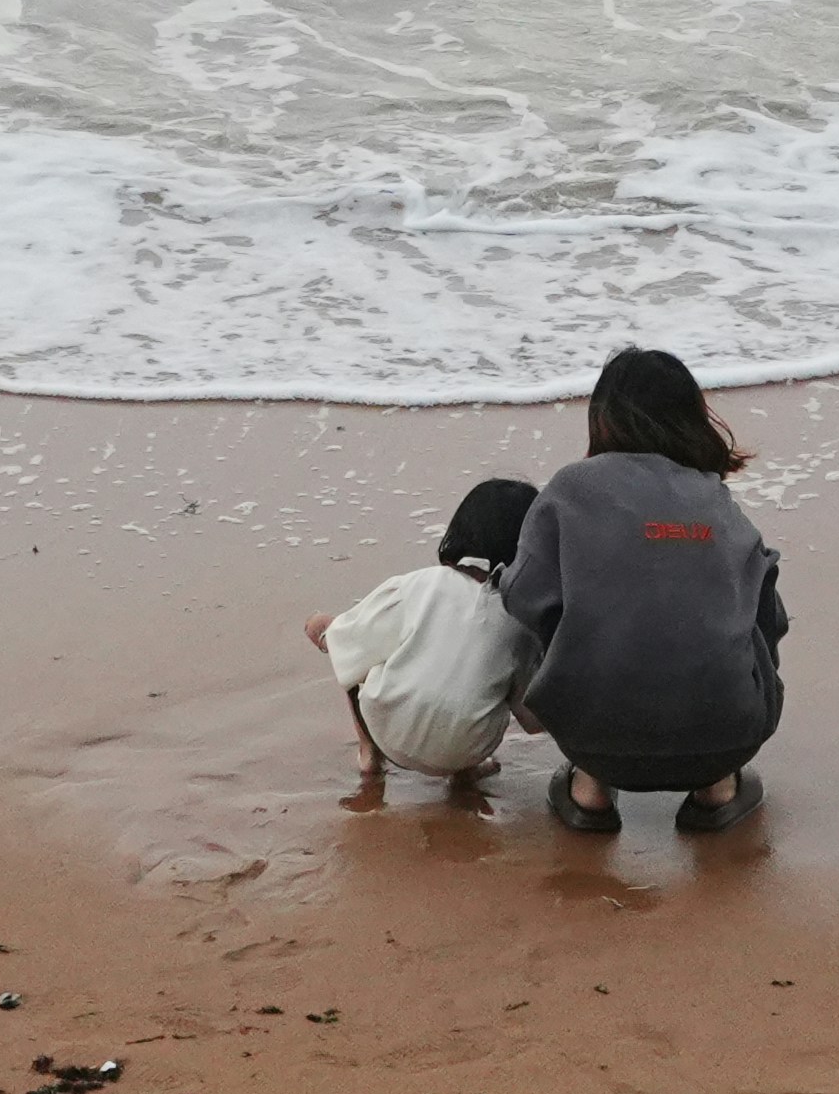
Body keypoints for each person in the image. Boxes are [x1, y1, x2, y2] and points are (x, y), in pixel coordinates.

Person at [500, 347, 785, 836]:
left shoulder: (570, 490)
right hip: (726, 734)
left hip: (592, 736)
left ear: (602, 418)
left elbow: (523, 597)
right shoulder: (717, 501)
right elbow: (771, 619)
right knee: (739, 612)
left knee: (551, 609)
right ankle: (716, 789)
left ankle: (589, 791)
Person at [306, 477, 543, 790]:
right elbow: (531, 719)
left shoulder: (420, 584)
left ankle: (369, 753)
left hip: (386, 729)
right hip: (468, 748)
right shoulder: (520, 625)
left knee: (347, 637)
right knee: (486, 682)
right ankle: (464, 771)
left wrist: (322, 629)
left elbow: (352, 642)